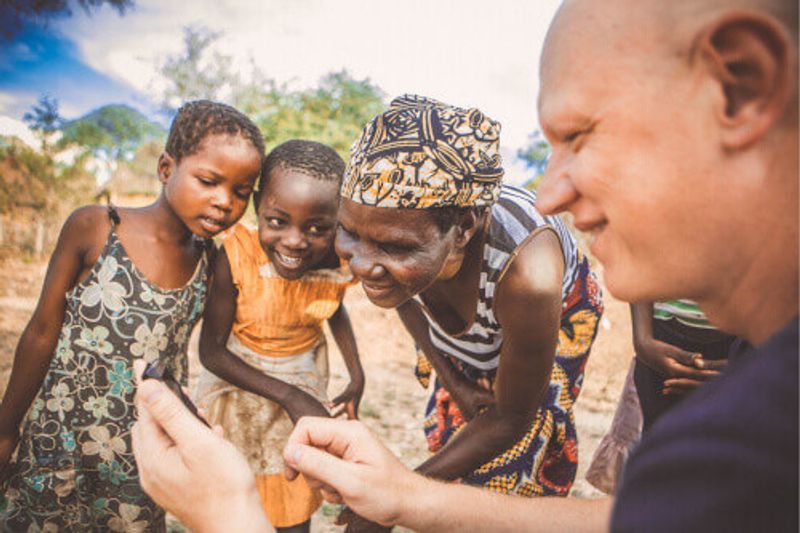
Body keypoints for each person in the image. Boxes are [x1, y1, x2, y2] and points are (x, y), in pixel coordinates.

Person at [132, 0, 798, 530]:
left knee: (520, 440)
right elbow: (650, 517)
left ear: (741, 85)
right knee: (456, 416)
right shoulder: (754, 425)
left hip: (535, 322)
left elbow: (513, 415)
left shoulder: (533, 274)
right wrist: (411, 481)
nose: (551, 195)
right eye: (354, 238)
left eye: (579, 136)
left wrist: (388, 494)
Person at [0, 100, 264, 530]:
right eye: (208, 181)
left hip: (142, 452)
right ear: (166, 167)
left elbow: (209, 353)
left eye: (240, 192)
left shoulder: (213, 263)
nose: (224, 202)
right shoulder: (96, 227)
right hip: (59, 434)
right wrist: (5, 429)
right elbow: (42, 332)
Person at [195, 139, 364, 532]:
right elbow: (211, 353)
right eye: (277, 221)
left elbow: (334, 304)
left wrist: (357, 375)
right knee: (233, 499)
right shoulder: (236, 254)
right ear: (258, 207)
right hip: (236, 385)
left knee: (293, 496)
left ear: (338, 221)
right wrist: (289, 395)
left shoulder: (335, 261)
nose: (294, 240)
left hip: (302, 380)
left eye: (317, 228)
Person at [632, 300, 736, 430]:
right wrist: (642, 340)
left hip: (743, 340)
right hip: (663, 346)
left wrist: (753, 356)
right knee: (666, 441)